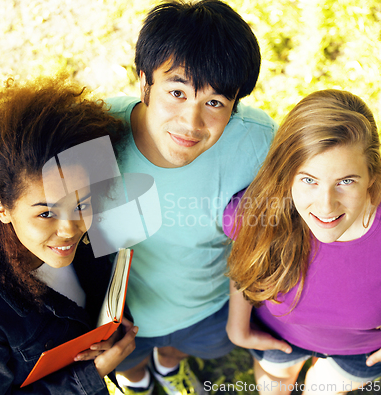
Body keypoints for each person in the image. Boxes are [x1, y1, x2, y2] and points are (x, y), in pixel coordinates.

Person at [0, 77, 138, 394]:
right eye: (46, 213)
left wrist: (110, 332)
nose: (69, 229)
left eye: (81, 205)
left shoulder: (88, 226)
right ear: (1, 207)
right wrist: (91, 374)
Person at [105, 1, 277, 394]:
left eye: (214, 102)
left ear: (235, 105)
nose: (191, 122)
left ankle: (168, 367)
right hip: (121, 315)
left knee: (178, 350)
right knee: (129, 365)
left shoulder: (257, 142)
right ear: (145, 81)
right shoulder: (97, 131)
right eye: (177, 91)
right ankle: (138, 382)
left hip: (208, 307)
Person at [224, 89, 381, 395]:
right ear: (286, 174)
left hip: (362, 351)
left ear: (373, 175)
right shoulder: (256, 212)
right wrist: (237, 327)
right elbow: (246, 260)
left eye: (346, 181)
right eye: (308, 179)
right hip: (278, 337)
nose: (326, 206)